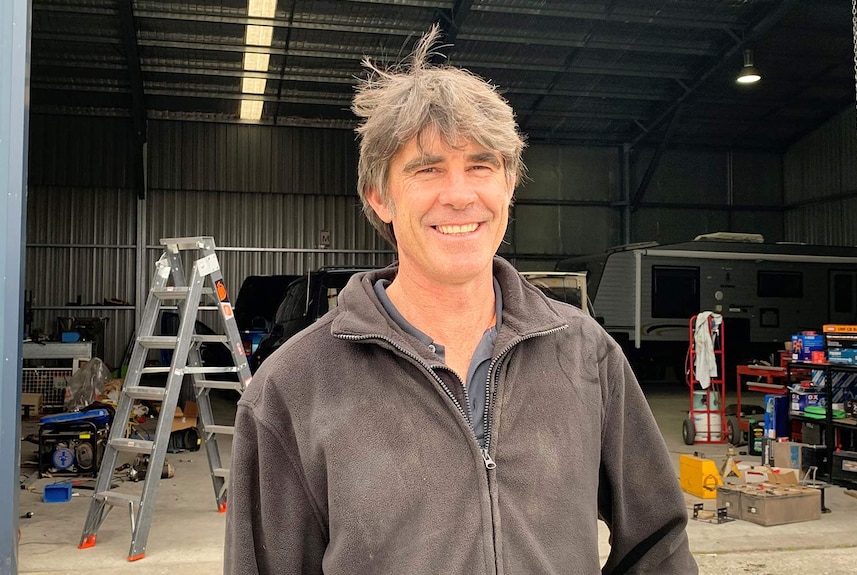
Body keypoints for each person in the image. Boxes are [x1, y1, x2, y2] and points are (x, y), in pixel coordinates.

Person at [225, 25, 698, 575]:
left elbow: (658, 543)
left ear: (509, 185)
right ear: (379, 196)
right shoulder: (292, 387)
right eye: (427, 169)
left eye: (481, 165)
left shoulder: (585, 355)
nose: (459, 194)